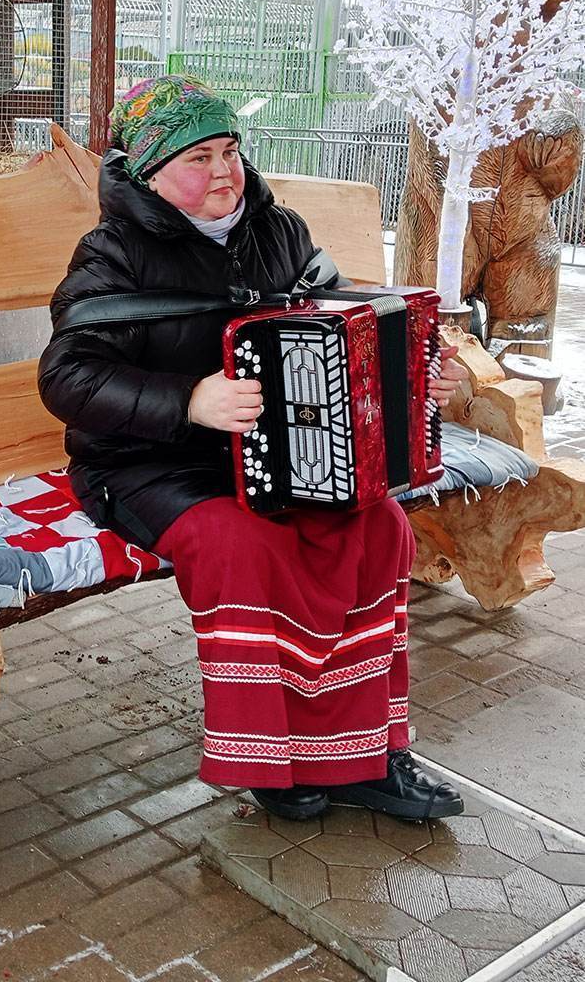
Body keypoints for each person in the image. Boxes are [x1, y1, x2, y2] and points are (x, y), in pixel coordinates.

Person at [38, 75, 469, 823]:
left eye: (229, 150)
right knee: (245, 545)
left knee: (376, 530)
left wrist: (422, 373)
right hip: (148, 464)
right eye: (196, 156)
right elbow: (67, 378)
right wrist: (188, 401)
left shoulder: (279, 230)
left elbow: (352, 329)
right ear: (148, 170)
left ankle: (365, 755)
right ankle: (274, 760)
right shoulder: (111, 254)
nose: (222, 172)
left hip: (283, 456)